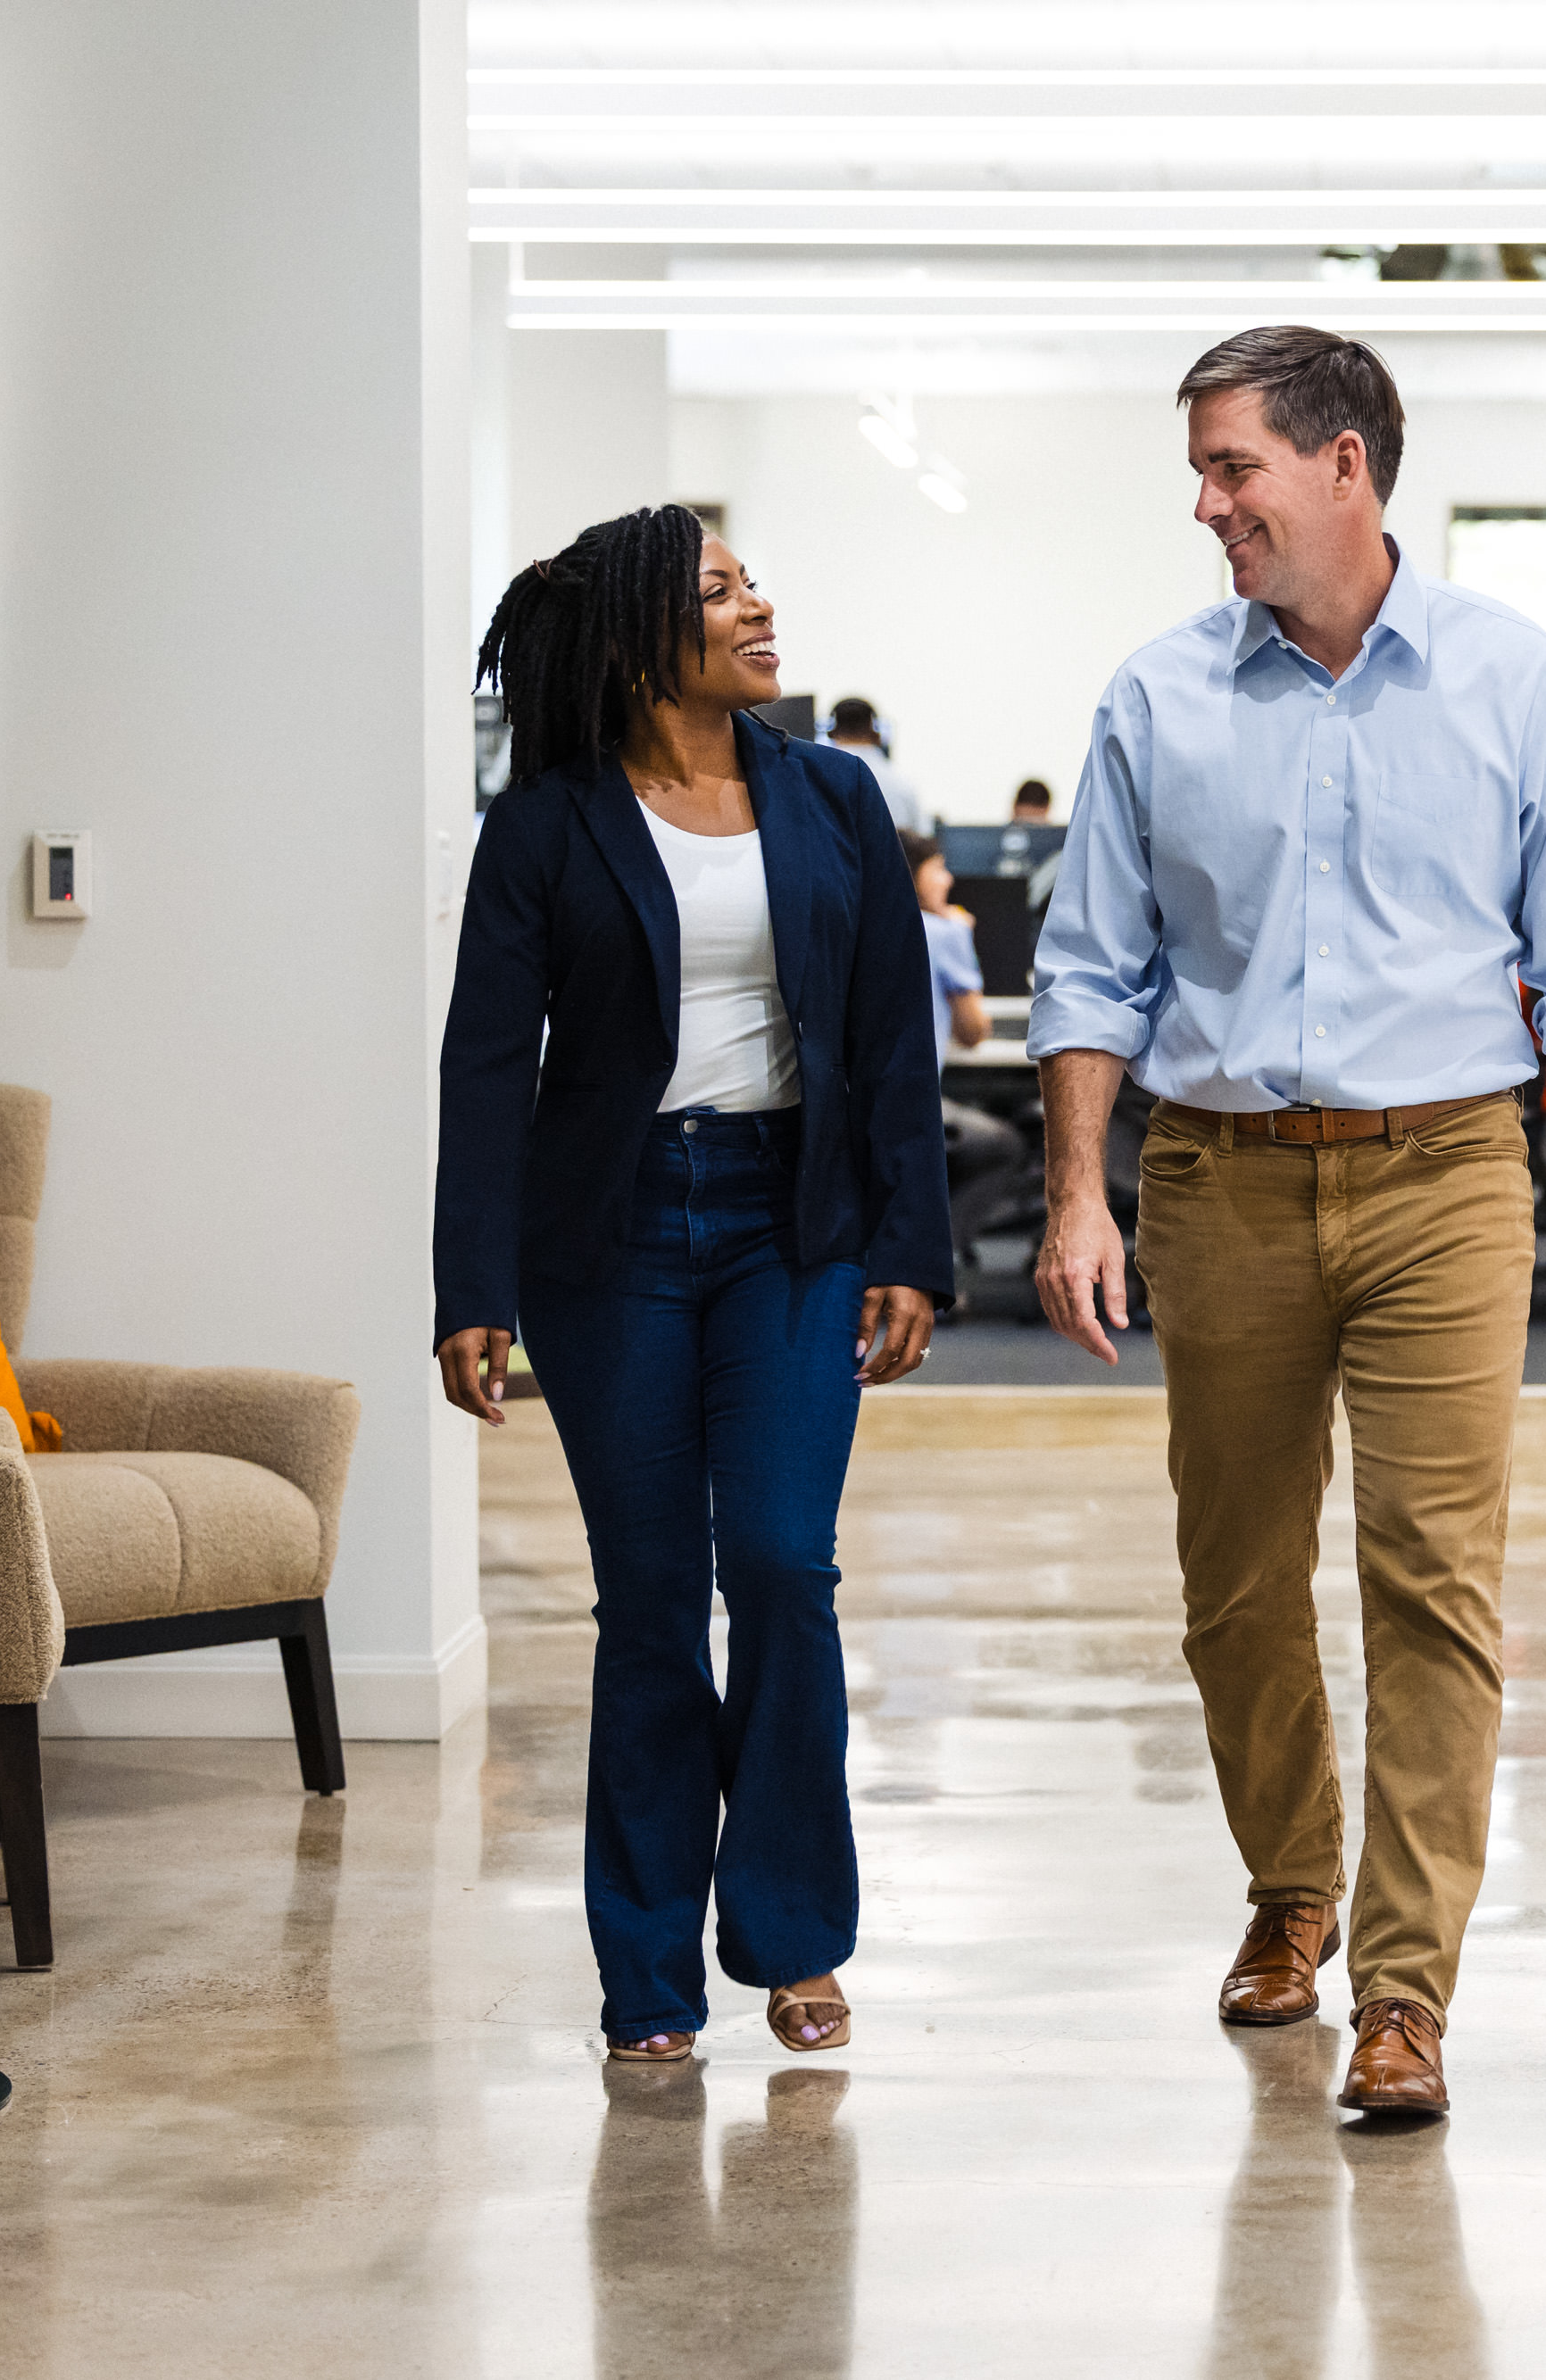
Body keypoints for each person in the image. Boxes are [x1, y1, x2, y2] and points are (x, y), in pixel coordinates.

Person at [1027, 325, 1546, 2119]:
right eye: (1202, 475)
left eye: (1231, 470)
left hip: (1447, 1174)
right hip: (1216, 1177)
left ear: (1342, 469)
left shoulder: (1510, 678)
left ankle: (1403, 1992)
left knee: (1430, 1581)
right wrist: (1076, 1189)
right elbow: (1088, 972)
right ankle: (1286, 1885)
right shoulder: (1156, 696)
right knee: (1233, 1582)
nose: (1209, 507)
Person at [436, 505, 952, 2067]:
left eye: (750, 580)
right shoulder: (548, 824)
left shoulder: (835, 800)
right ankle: (650, 1970)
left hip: (786, 1224)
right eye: (721, 589)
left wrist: (910, 1246)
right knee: (652, 1601)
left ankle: (794, 1934)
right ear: (644, 634)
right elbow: (482, 1062)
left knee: (786, 1568)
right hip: (610, 1243)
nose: (758, 605)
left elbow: (888, 1041)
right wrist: (474, 1282)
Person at [899, 827, 1027, 1256]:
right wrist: (963, 940)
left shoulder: (862, 923)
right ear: (913, 875)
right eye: (938, 869)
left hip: (858, 1107)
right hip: (914, 1108)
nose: (948, 880)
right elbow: (973, 1033)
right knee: (1004, 1145)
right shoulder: (943, 933)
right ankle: (938, 1256)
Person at [821, 695, 927, 832]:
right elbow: (922, 837)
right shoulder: (901, 782)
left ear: (831, 732)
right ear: (876, 733)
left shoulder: (817, 778)